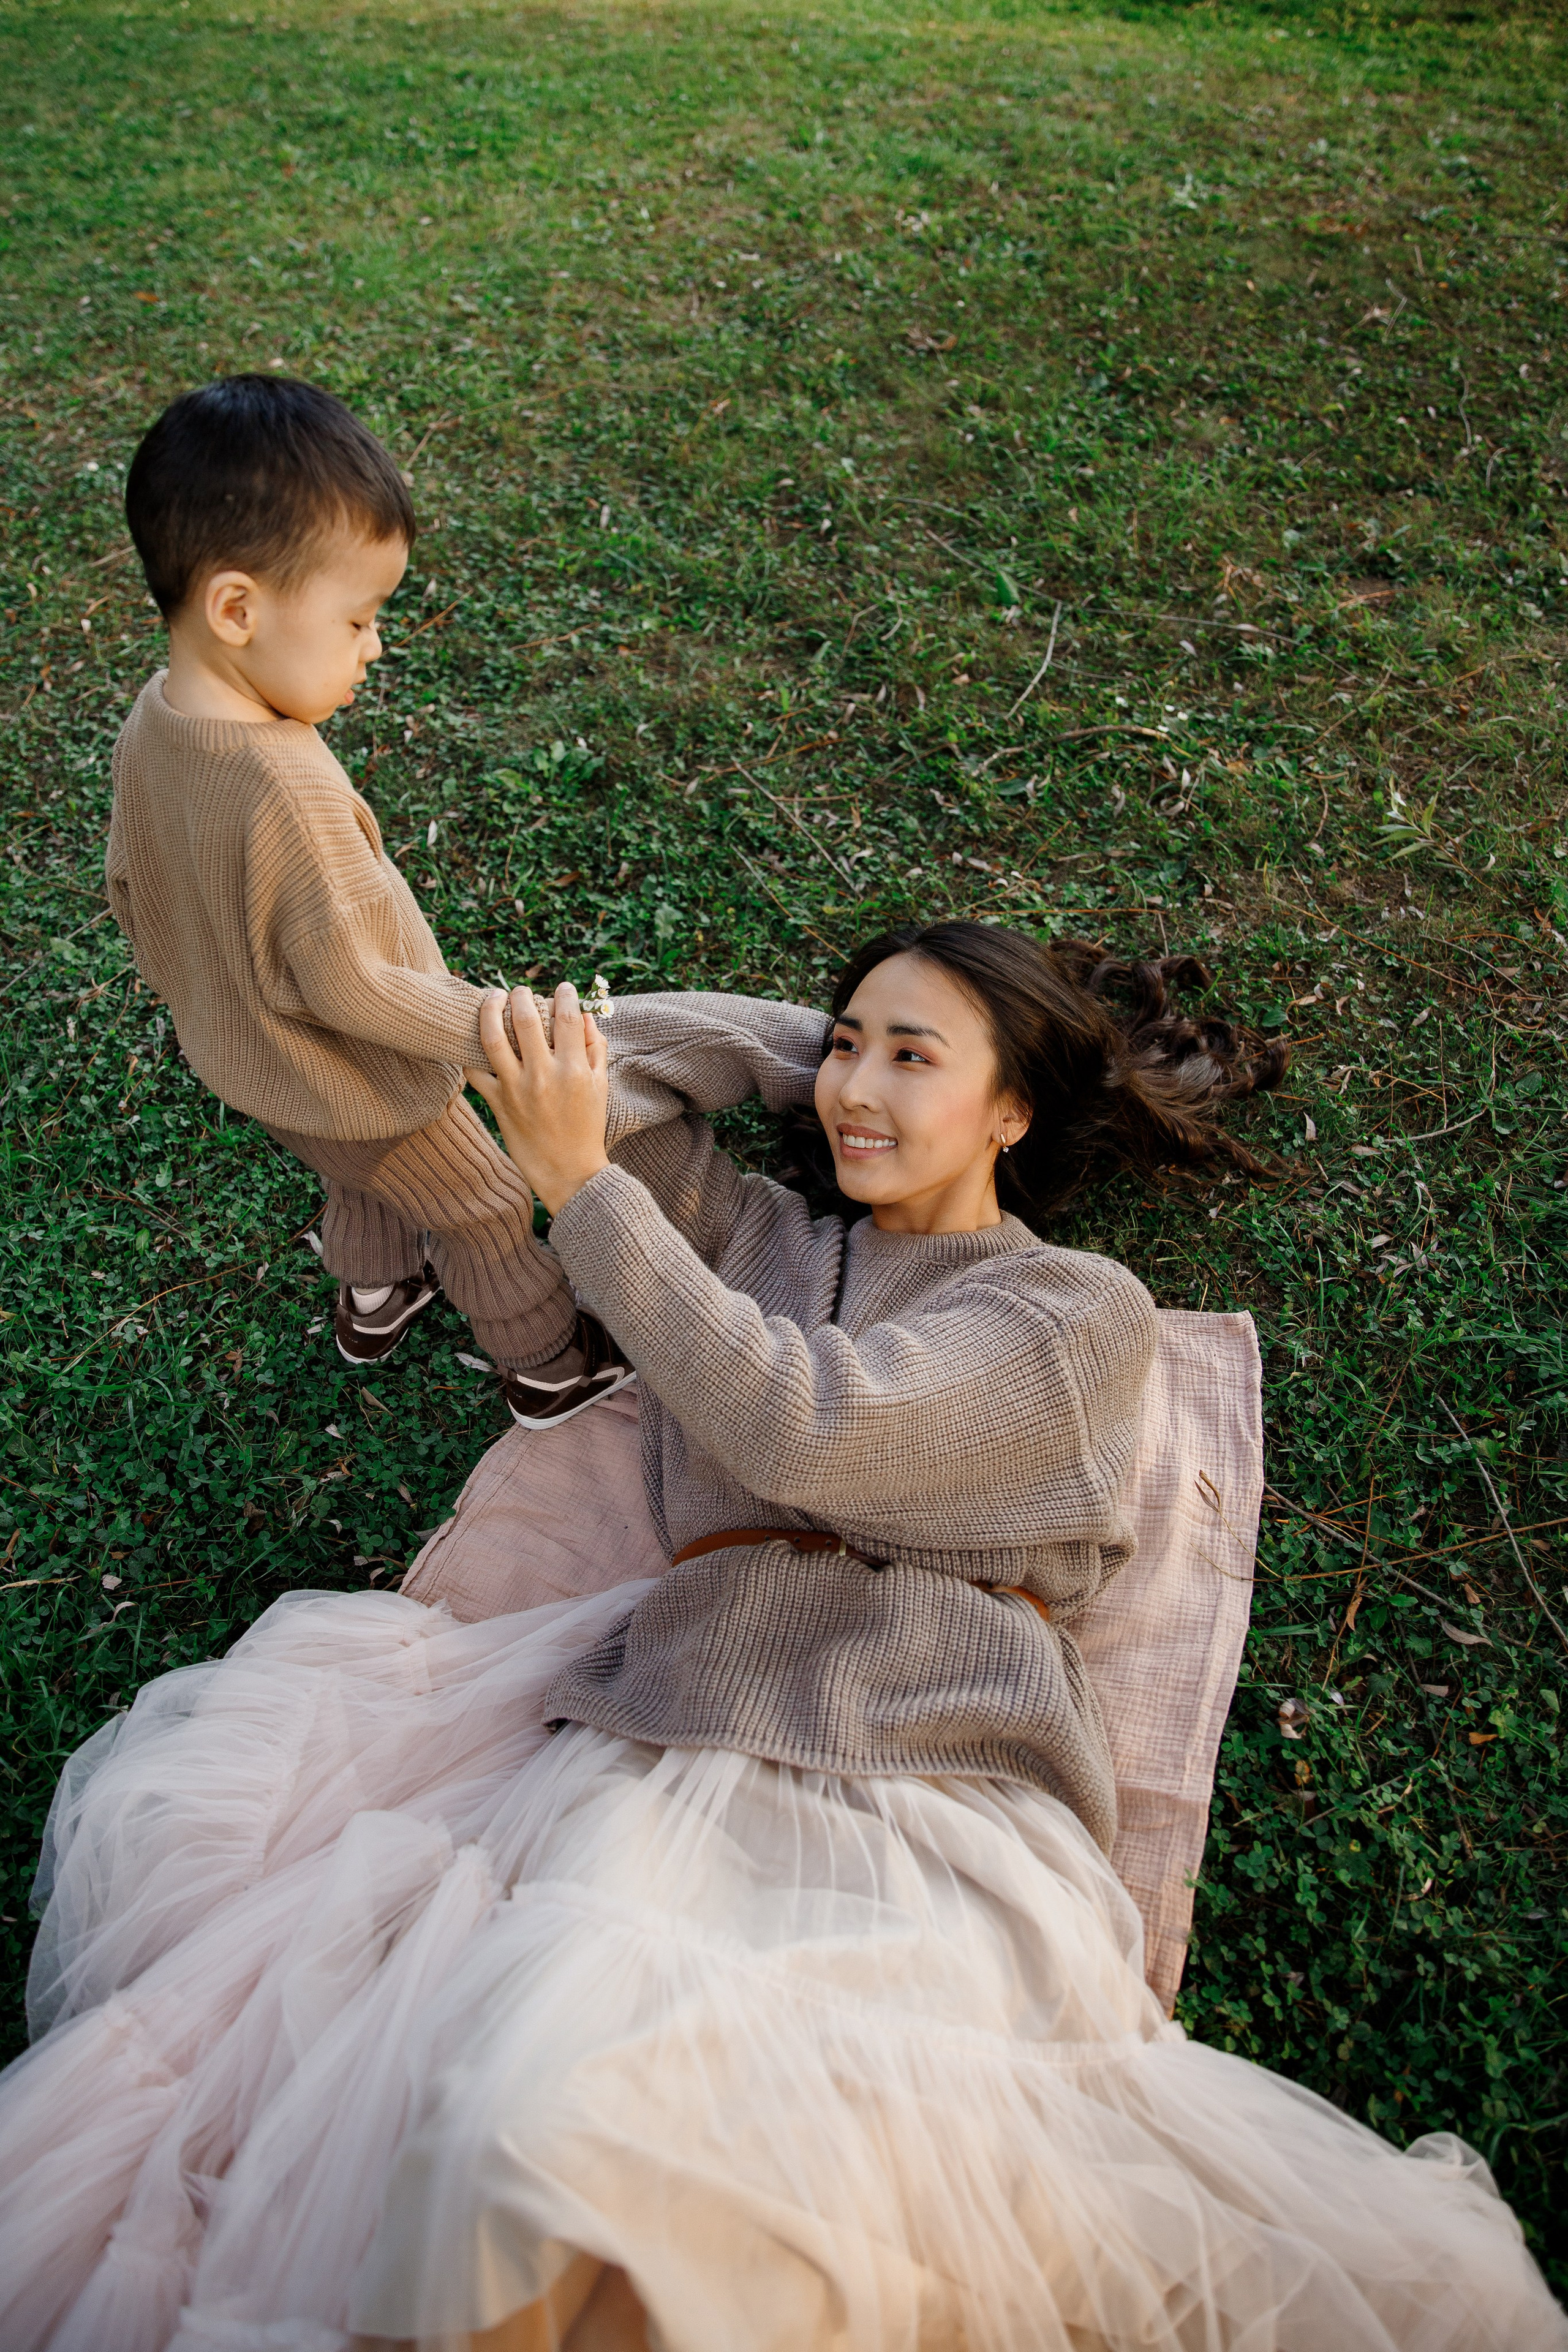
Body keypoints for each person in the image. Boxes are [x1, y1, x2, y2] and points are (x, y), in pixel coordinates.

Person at [1, 926, 1562, 2352]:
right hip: (676, 1743)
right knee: (521, 2148)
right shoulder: (743, 1235)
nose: (853, 1090)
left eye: (912, 1057)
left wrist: (589, 1203)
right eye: (844, 1045)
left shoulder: (1073, 1313)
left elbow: (803, 1425)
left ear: (1014, 1113)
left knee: (782, 2223)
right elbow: (581, 1072)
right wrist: (795, 1052)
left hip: (940, 1792)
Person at [106, 372, 629, 1427]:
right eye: (358, 618)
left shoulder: (155, 720)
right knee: (480, 1204)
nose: (374, 646)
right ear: (239, 609)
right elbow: (354, 985)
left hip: (257, 1065)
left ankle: (375, 1297)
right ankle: (545, 1364)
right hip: (364, 1075)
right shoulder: (284, 788)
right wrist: (504, 1026)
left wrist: (205, 999)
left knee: (361, 1179)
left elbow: (132, 885)